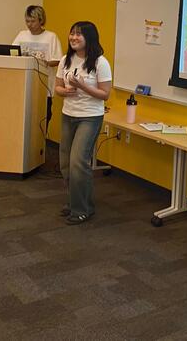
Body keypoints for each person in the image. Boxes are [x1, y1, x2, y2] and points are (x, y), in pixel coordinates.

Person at [55, 21, 112, 225]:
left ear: (89, 38)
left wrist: (82, 86)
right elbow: (57, 88)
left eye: (79, 34)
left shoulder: (100, 62)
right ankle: (74, 202)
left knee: (78, 162)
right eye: (72, 34)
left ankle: (82, 210)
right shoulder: (65, 60)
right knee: (65, 163)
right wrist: (66, 91)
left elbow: (105, 95)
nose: (74, 38)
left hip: (90, 116)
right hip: (68, 114)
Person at [13, 5, 63, 131]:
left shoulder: (51, 37)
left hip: (44, 87)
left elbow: (58, 60)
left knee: (42, 119)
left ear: (41, 20)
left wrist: (44, 62)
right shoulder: (21, 35)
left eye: (32, 21)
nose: (29, 24)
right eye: (27, 21)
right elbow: (12, 53)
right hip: (23, 86)